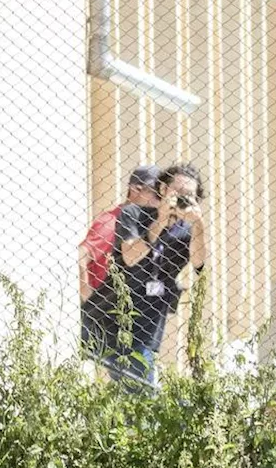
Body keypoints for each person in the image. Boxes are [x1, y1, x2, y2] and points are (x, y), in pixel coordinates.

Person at [89, 162, 210, 392]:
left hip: (148, 327)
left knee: (137, 395)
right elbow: (130, 257)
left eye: (190, 196)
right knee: (143, 395)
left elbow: (199, 264)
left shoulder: (187, 231)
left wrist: (198, 224)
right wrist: (160, 221)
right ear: (163, 190)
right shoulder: (133, 214)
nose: (183, 199)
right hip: (112, 320)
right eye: (178, 193)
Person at [77, 165, 161, 364]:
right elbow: (80, 257)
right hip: (111, 320)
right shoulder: (112, 222)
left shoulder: (147, 224)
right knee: (140, 388)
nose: (160, 200)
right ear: (135, 189)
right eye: (155, 193)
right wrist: (90, 299)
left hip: (135, 321)